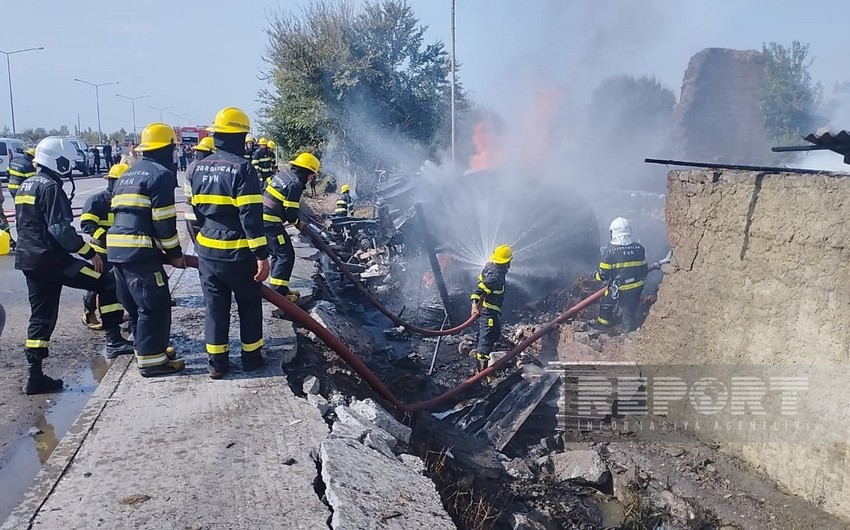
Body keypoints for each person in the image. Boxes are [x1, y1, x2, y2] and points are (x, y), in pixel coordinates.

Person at [15, 137, 134, 394]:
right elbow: (60, 230)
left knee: (41, 316)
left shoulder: (26, 185)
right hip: (53, 260)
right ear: (56, 160)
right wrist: (89, 252)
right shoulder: (49, 187)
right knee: (107, 280)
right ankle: (114, 339)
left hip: (30, 261)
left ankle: (34, 375)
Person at [189, 107, 269, 379]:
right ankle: (251, 358)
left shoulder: (196, 168)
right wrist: (261, 255)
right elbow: (250, 216)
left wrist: (201, 246)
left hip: (208, 251)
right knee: (248, 303)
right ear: (241, 136)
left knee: (215, 307)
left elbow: (193, 215)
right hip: (239, 252)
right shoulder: (243, 169)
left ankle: (216, 364)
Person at [108, 123, 186, 378]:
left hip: (117, 250)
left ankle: (149, 350)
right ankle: (153, 362)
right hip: (139, 250)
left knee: (135, 306)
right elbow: (164, 220)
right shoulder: (161, 175)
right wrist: (174, 253)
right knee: (155, 304)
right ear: (168, 148)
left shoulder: (127, 174)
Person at [263, 152, 319, 307]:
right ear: (307, 172)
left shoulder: (283, 176)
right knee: (285, 254)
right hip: (270, 222)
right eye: (311, 175)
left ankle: (279, 289)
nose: (311, 179)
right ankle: (279, 294)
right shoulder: (295, 184)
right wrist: (298, 224)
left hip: (262, 219)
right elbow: (290, 213)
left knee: (278, 253)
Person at [79, 163, 128, 331]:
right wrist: (107, 238)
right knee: (97, 285)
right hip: (101, 252)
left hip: (121, 251)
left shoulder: (126, 201)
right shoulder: (97, 201)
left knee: (117, 286)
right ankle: (89, 313)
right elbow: (87, 225)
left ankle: (115, 316)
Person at [593, 217, 648, 333]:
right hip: (636, 287)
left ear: (612, 232)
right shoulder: (639, 248)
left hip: (618, 288)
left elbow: (603, 275)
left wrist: (595, 276)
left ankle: (602, 328)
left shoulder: (610, 251)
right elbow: (644, 271)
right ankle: (626, 332)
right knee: (629, 310)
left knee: (607, 305)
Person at [470, 245, 512, 373]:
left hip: (491, 312)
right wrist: (474, 305)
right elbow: (478, 290)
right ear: (506, 262)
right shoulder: (495, 278)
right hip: (487, 313)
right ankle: (481, 371)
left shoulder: (491, 269)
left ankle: (479, 352)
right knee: (486, 339)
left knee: (495, 333)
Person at [183, 136, 215, 244]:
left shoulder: (191, 166)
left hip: (190, 216)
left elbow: (188, 195)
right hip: (205, 217)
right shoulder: (211, 168)